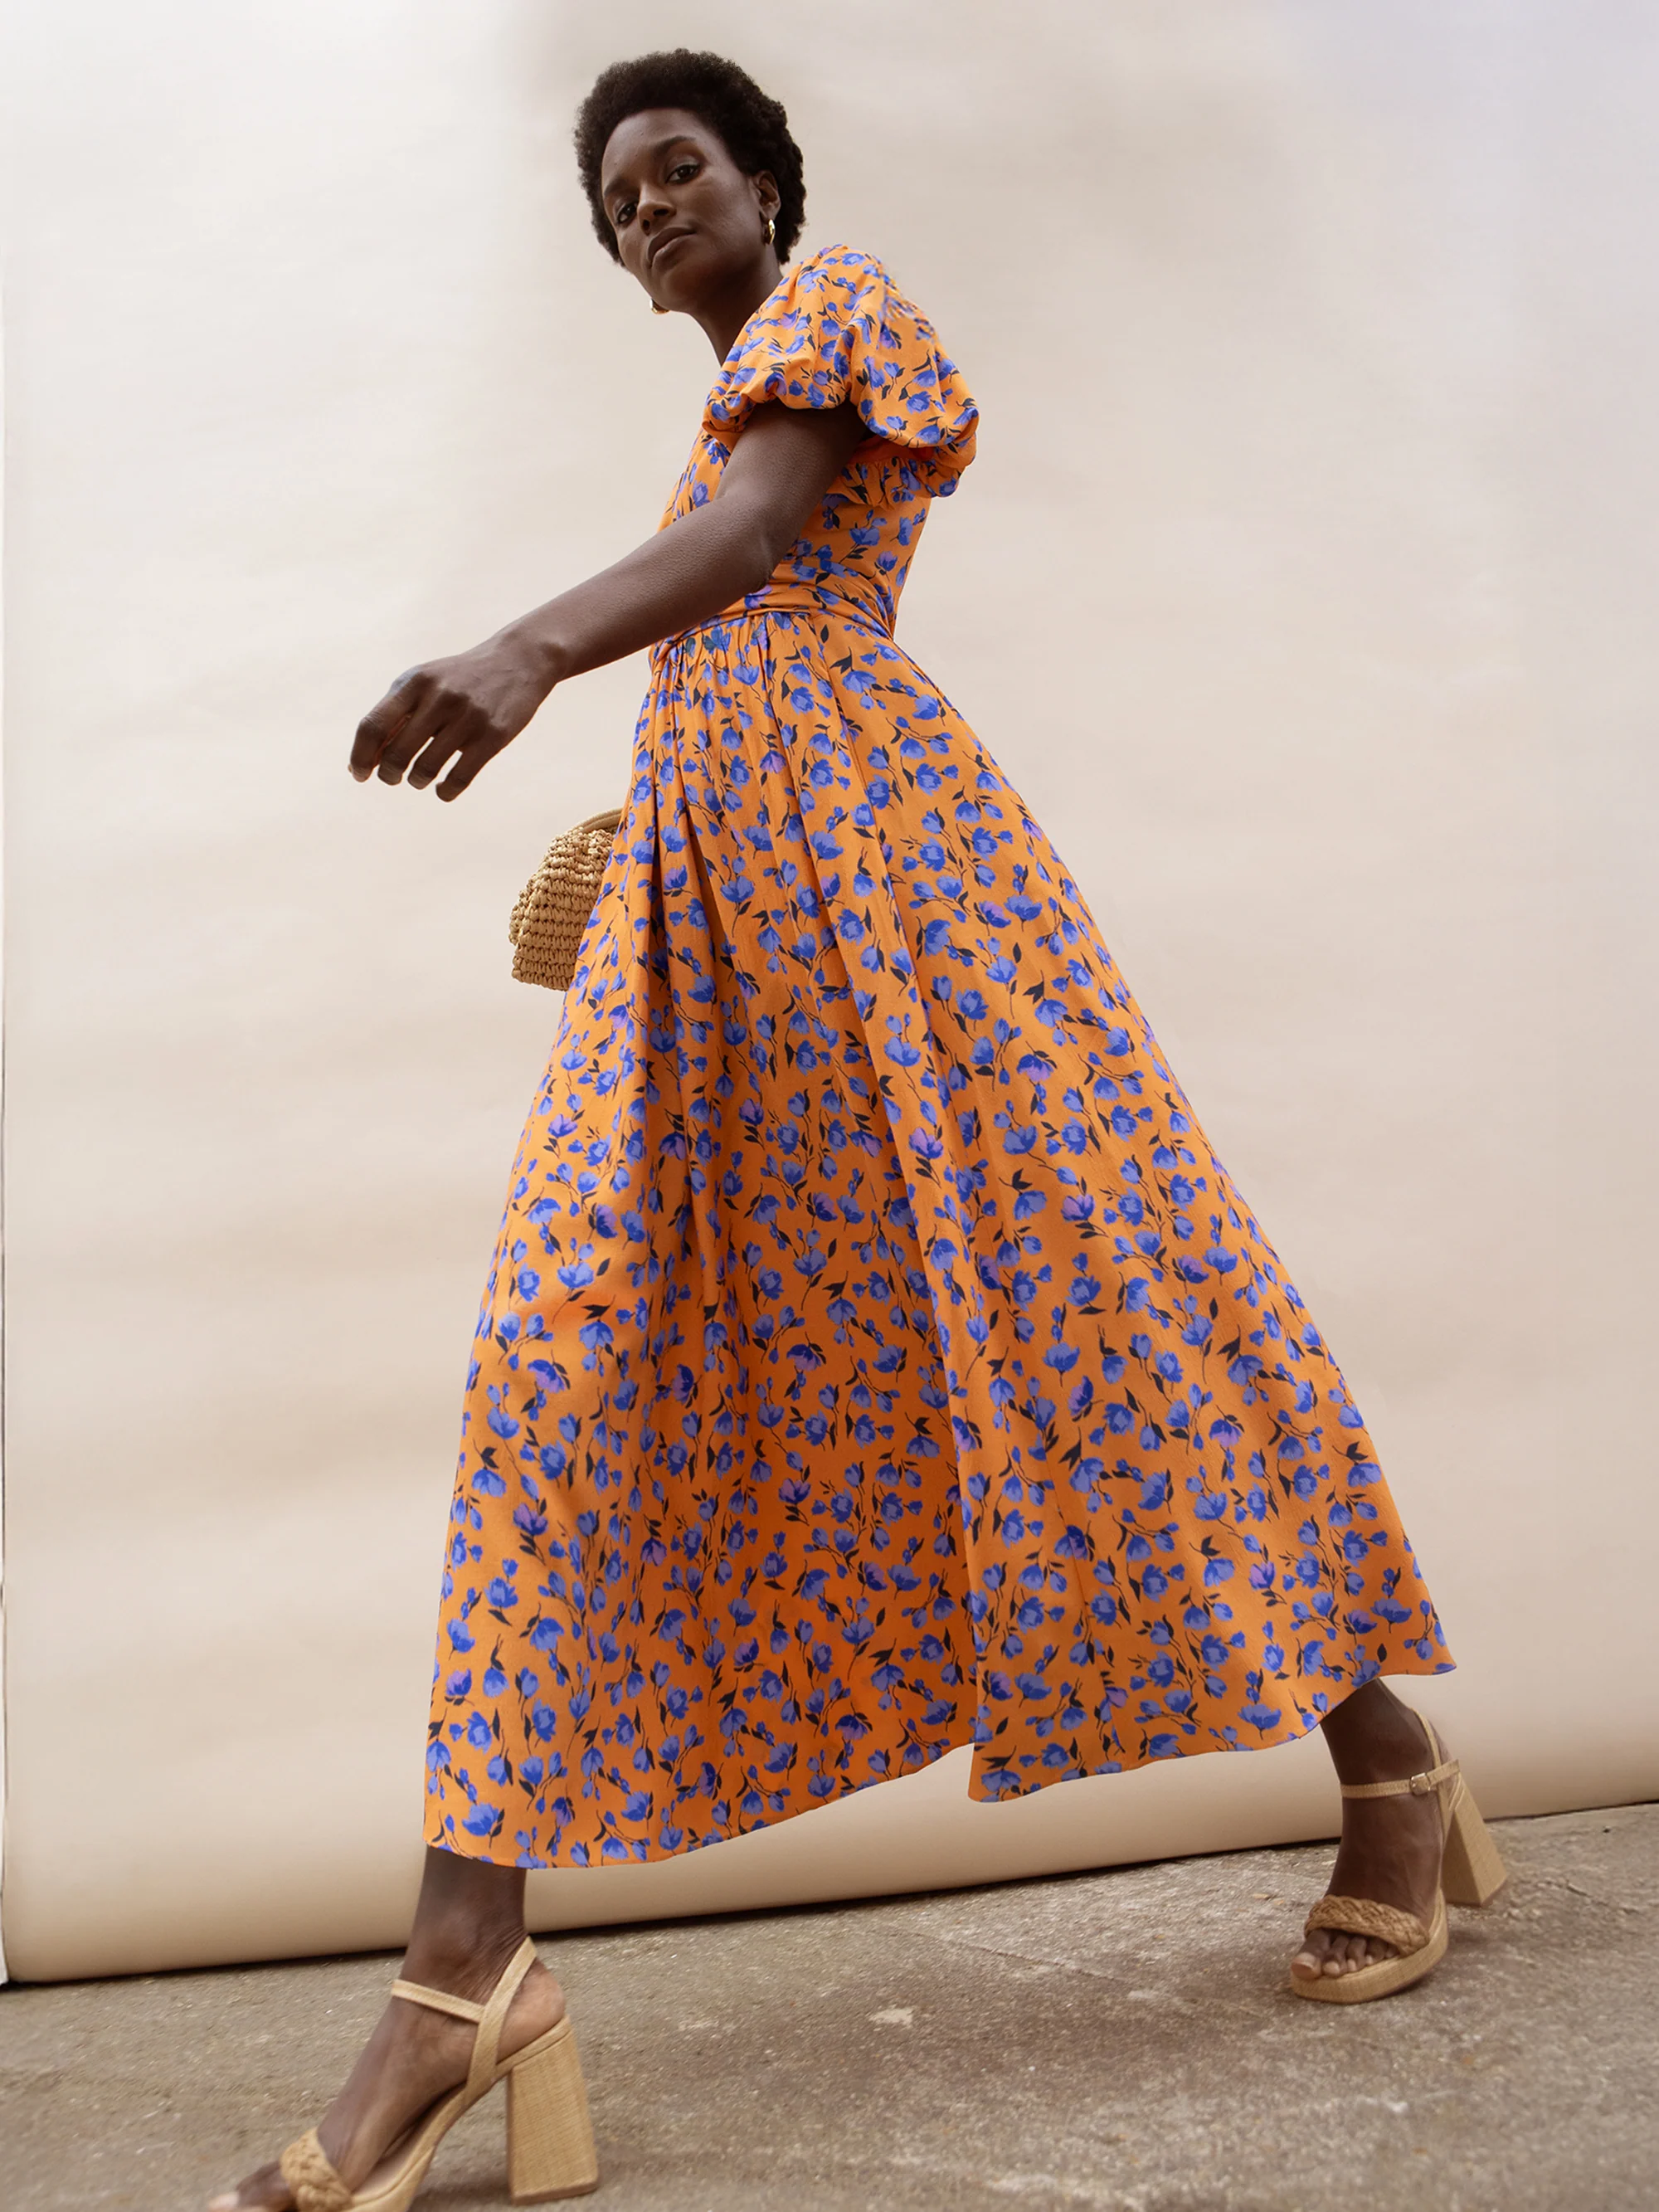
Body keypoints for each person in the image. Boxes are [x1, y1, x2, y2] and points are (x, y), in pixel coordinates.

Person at [212, 47, 1506, 2212]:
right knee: (565, 1372)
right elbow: (721, 585)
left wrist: (532, 648)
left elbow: (763, 538)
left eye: (677, 166)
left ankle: (1393, 1765)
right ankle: (467, 1964)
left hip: (912, 910)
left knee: (1108, 1319)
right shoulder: (710, 435)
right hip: (717, 944)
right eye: (614, 197)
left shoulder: (840, 320)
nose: (645, 206)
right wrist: (650, 828)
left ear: (764, 187)